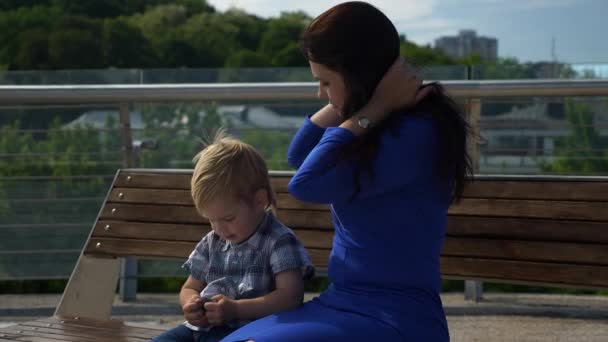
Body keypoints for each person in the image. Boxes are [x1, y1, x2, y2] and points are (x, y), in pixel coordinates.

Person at [222, 2, 471, 341]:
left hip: (396, 316)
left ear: (357, 76)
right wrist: (360, 104)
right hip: (340, 301)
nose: (319, 94)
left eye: (325, 82)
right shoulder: (372, 125)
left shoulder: (416, 133)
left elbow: (306, 183)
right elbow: (299, 153)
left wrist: (375, 105)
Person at [152, 131, 315, 342]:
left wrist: (236, 309)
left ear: (259, 201)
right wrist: (191, 304)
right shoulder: (213, 241)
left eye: (228, 218)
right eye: (212, 220)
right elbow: (191, 286)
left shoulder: (278, 241)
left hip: (250, 332)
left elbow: (290, 298)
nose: (219, 229)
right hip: (200, 329)